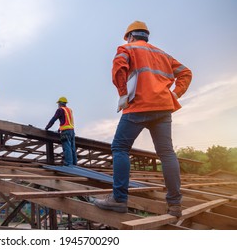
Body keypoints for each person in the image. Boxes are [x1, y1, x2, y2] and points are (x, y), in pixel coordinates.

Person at [94, 21, 192, 217]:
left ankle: (119, 199)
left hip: (138, 106)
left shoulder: (126, 48)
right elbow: (186, 73)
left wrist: (123, 94)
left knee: (120, 148)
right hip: (163, 107)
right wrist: (175, 94)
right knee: (166, 153)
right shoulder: (162, 54)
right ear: (146, 36)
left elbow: (118, 69)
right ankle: (174, 205)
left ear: (130, 36)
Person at [45, 97, 77, 166]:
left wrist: (47, 127)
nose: (58, 105)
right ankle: (74, 163)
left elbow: (53, 119)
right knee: (72, 148)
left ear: (60, 103)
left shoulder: (60, 110)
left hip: (65, 132)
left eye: (58, 103)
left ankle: (69, 164)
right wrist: (59, 129)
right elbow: (66, 121)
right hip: (72, 131)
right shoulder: (69, 110)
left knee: (67, 147)